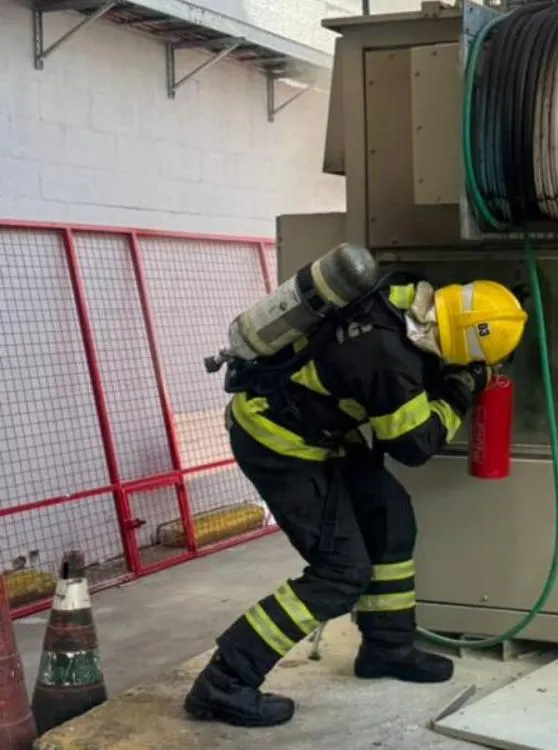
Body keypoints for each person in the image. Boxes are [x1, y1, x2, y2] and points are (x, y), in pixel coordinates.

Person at [183, 275, 529, 728]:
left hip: (322, 432)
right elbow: (415, 444)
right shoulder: (387, 359)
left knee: (390, 518)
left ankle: (387, 649)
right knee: (340, 573)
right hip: (277, 443)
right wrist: (465, 384)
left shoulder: (401, 297)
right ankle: (224, 680)